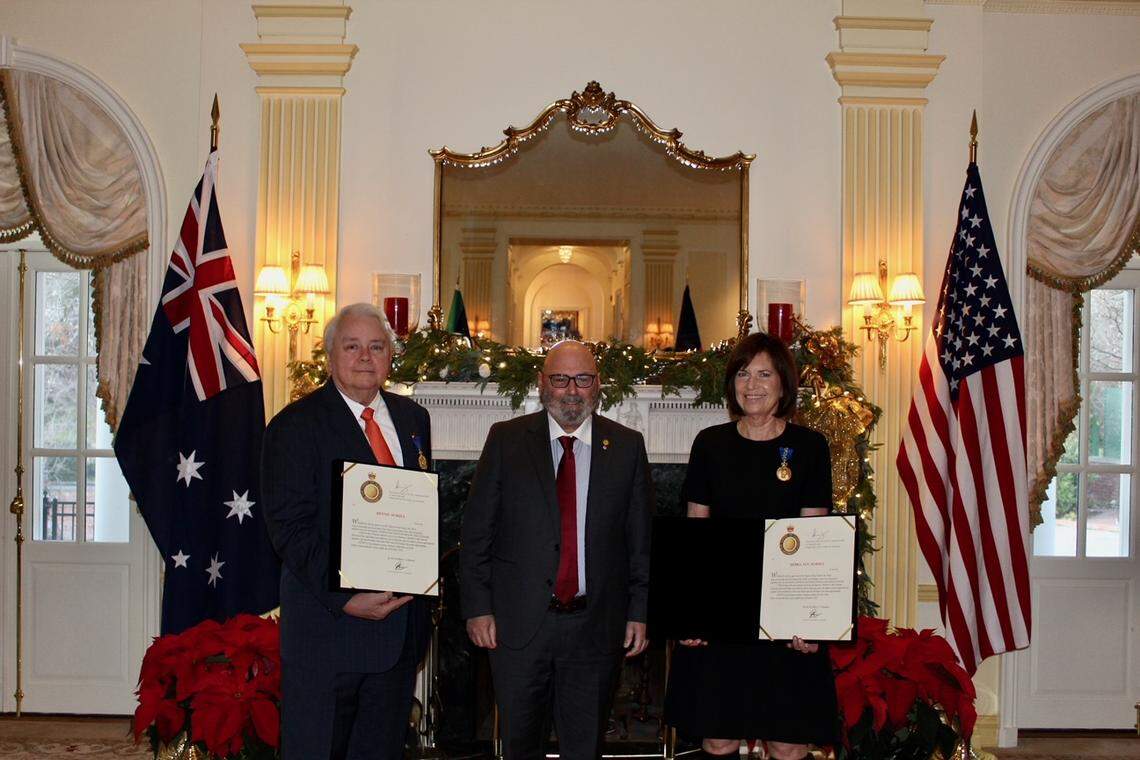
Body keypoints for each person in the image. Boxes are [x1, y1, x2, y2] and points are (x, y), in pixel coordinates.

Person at [460, 339, 652, 760]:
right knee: (520, 746)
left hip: (594, 627)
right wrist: (477, 607)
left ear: (597, 385)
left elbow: (639, 542)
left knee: (584, 749)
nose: (571, 390)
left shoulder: (626, 446)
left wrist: (638, 612)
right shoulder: (506, 440)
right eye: (560, 379)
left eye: (582, 379)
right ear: (542, 384)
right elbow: (476, 534)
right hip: (518, 628)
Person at [261, 302, 433, 760]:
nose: (364, 357)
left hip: (398, 636)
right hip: (328, 634)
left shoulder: (414, 420)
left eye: (376, 347)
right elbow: (289, 528)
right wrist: (346, 597)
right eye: (351, 346)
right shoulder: (294, 426)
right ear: (330, 355)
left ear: (390, 356)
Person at [663, 332, 839, 760]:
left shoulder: (810, 448)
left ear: (784, 384)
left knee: (787, 742)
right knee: (719, 739)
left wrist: (810, 622)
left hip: (787, 617)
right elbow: (696, 535)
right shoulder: (710, 443)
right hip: (722, 618)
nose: (752, 384)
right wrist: (693, 615)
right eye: (743, 373)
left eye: (765, 373)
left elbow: (814, 540)